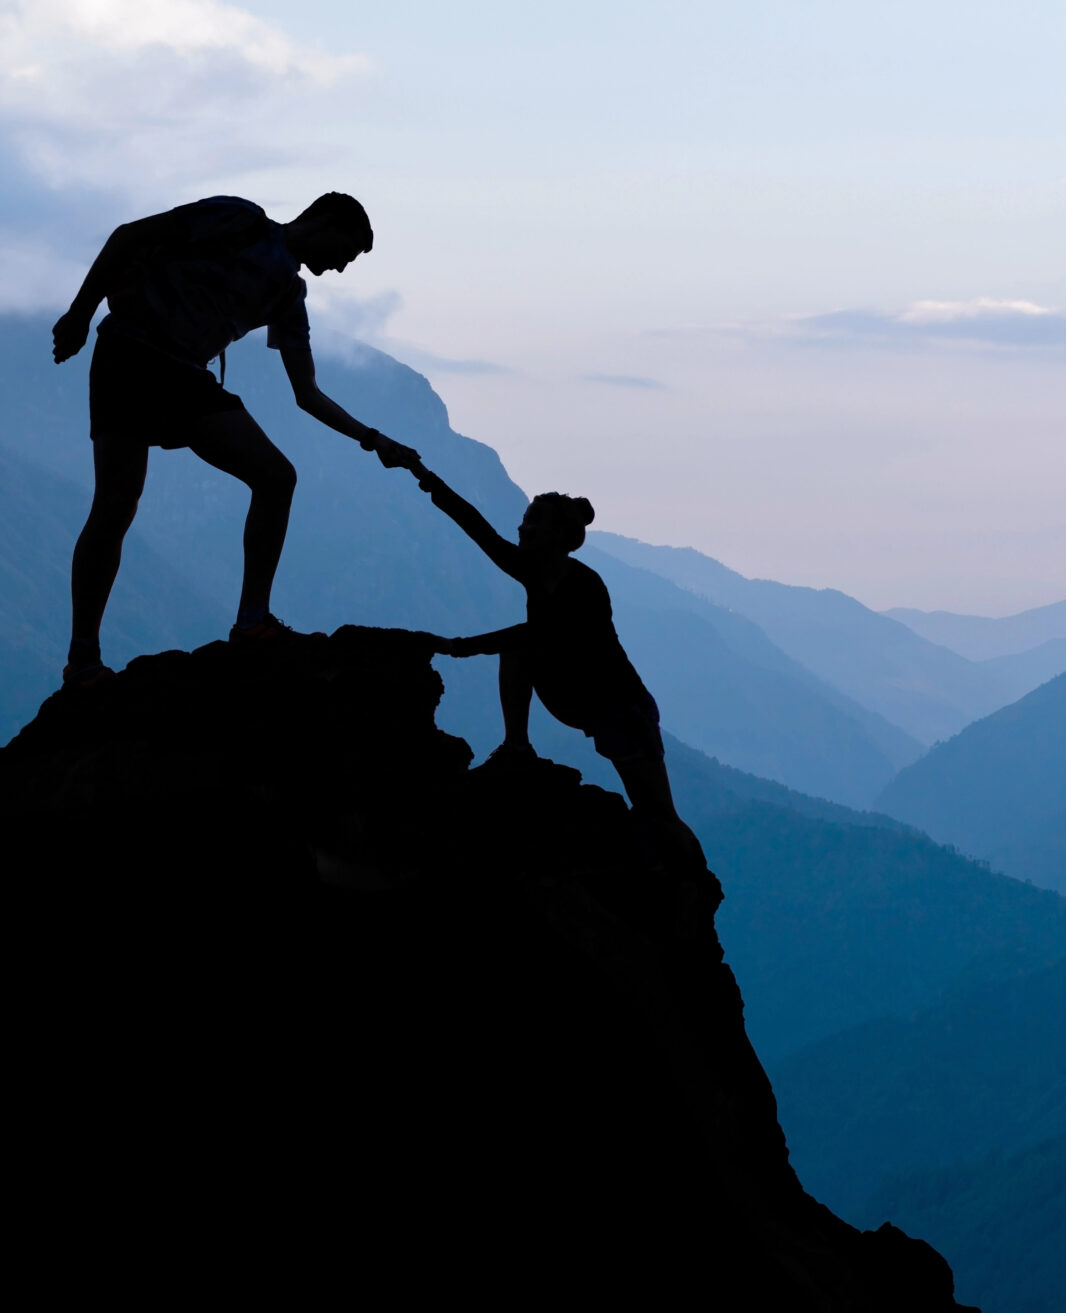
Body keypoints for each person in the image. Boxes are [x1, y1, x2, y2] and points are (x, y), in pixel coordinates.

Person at [51, 192, 411, 687]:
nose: (342, 270)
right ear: (325, 221)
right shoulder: (237, 218)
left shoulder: (289, 295)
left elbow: (307, 393)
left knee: (275, 478)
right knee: (115, 506)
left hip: (179, 374)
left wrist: (373, 439)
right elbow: (130, 237)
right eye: (346, 253)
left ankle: (251, 622)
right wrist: (79, 314)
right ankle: (83, 660)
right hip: (130, 352)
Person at [397, 462, 699, 861]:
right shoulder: (534, 568)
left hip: (621, 708)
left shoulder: (585, 587)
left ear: (559, 535)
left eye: (533, 521)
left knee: (658, 815)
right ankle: (516, 746)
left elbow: (536, 634)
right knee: (518, 650)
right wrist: (426, 477)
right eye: (524, 520)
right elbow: (475, 526)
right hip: (577, 696)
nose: (522, 528)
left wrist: (458, 646)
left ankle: (693, 875)